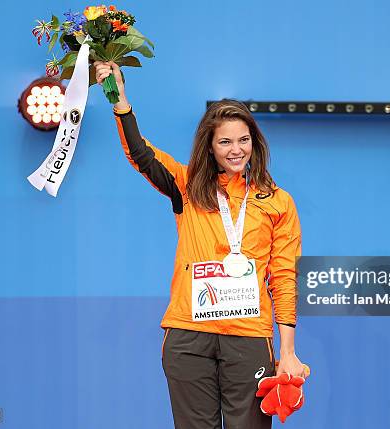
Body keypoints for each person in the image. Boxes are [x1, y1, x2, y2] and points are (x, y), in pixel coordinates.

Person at [94, 61, 305, 429]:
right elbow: (141, 155)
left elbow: (284, 279)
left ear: (254, 143)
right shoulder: (188, 186)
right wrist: (121, 102)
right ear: (209, 147)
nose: (235, 150)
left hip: (248, 337)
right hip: (189, 336)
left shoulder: (278, 201)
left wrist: (287, 353)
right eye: (225, 141)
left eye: (243, 140)